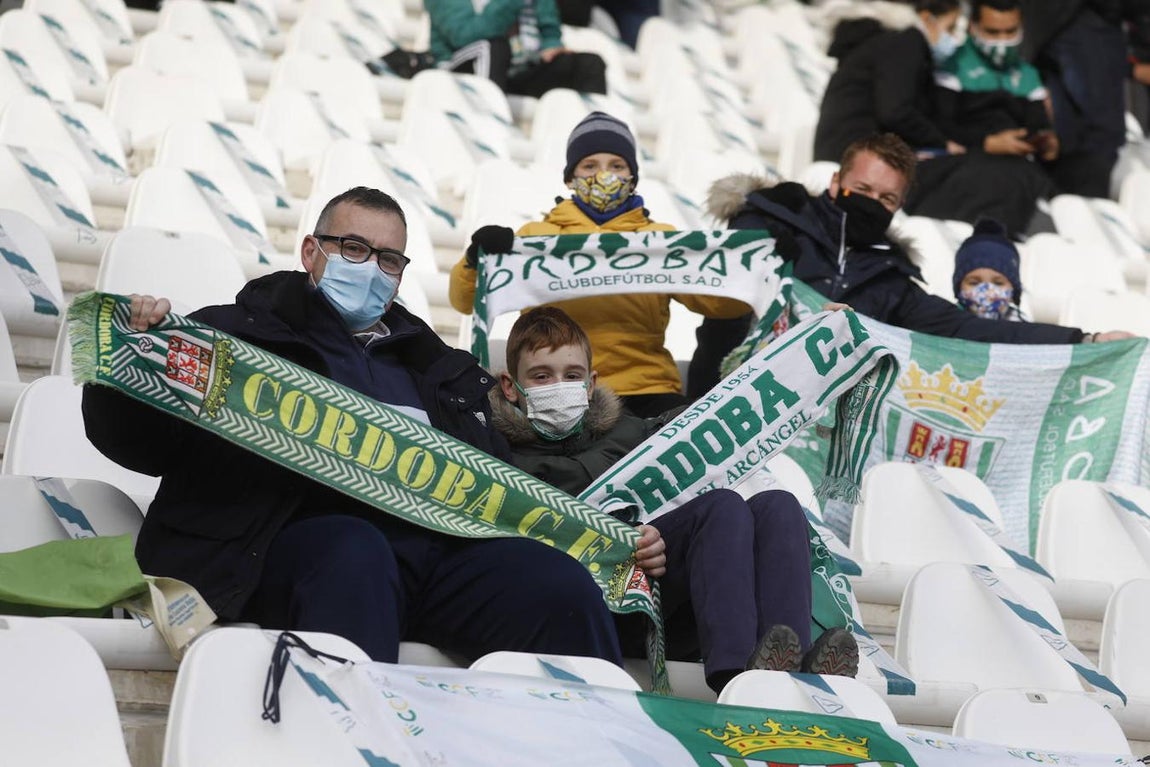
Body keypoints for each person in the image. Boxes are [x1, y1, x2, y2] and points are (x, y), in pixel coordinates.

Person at [81, 187, 623, 667]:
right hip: (283, 547)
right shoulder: (233, 338)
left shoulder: (441, 370)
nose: (371, 268)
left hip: (433, 560)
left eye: (388, 259)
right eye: (354, 249)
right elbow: (138, 444)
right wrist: (130, 364)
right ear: (310, 252)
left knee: (554, 582)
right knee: (354, 550)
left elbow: (496, 486)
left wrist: (612, 543)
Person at [491, 306, 860, 692]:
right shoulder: (494, 452)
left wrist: (813, 343)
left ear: (590, 383)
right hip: (597, 607)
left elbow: (724, 414)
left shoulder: (628, 432)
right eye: (541, 376)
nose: (558, 386)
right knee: (721, 508)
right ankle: (738, 677)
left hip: (667, 594)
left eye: (572, 375)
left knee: (778, 505)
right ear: (510, 386)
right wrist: (624, 536)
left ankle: (791, 667)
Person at [690, 133, 1130, 396]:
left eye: (886, 198)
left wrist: (1083, 339)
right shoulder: (768, 223)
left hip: (808, 429)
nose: (872, 203)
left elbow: (969, 330)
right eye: (863, 189)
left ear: (899, 205)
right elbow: (720, 289)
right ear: (836, 182)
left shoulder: (891, 281)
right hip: (724, 401)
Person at [449, 111, 752, 417]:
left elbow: (723, 304)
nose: (604, 175)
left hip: (647, 388)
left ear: (632, 177)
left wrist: (751, 262)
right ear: (570, 177)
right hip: (556, 388)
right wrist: (476, 258)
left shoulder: (660, 240)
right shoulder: (535, 238)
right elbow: (464, 301)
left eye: (617, 166)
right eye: (590, 165)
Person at [923, 0, 1058, 234]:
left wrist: (1047, 143)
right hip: (967, 163)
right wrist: (986, 143)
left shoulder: (1028, 75)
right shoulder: (952, 66)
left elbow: (1040, 127)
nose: (1002, 41)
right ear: (973, 27)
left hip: (1022, 169)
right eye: (993, 32)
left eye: (1010, 31)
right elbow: (938, 126)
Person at [1021, 0, 1150, 198]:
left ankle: (1070, 197)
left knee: (1073, 131)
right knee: (1097, 133)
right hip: (1081, 20)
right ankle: (1082, 202)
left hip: (1057, 24)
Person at [814, 0, 966, 164]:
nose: (954, 38)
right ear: (927, 18)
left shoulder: (879, 42)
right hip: (857, 158)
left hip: (846, 152)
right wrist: (942, 142)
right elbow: (895, 112)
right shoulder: (904, 41)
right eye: (950, 28)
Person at [425, 0, 607, 97]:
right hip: (460, 69)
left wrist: (552, 46)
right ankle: (490, 119)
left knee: (589, 64)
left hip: (521, 67)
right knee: (494, 48)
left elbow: (549, 28)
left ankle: (596, 142)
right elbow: (463, 36)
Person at [953, 218, 1027, 320]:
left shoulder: (1022, 327)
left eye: (998, 283)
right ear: (959, 289)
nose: (987, 291)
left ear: (1014, 291)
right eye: (974, 283)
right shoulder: (946, 323)